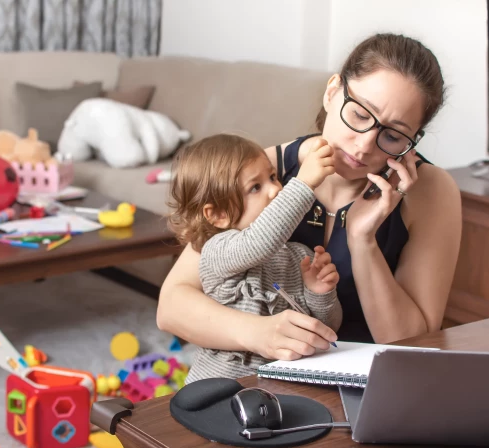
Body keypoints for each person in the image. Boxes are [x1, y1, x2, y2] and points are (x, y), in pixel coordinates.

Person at [157, 33, 462, 362]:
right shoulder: (265, 173)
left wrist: (363, 241)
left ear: (412, 140)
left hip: (371, 382)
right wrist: (258, 333)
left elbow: (412, 346)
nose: (363, 145)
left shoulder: (431, 192)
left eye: (392, 135)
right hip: (265, 374)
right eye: (360, 115)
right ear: (332, 92)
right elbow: (172, 306)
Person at [168, 134, 343, 382]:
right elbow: (259, 242)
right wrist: (303, 183)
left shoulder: (299, 256)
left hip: (280, 387)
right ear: (218, 215)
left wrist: (320, 293)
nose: (275, 189)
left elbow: (327, 328)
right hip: (218, 390)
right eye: (255, 187)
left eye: (273, 177)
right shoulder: (216, 250)